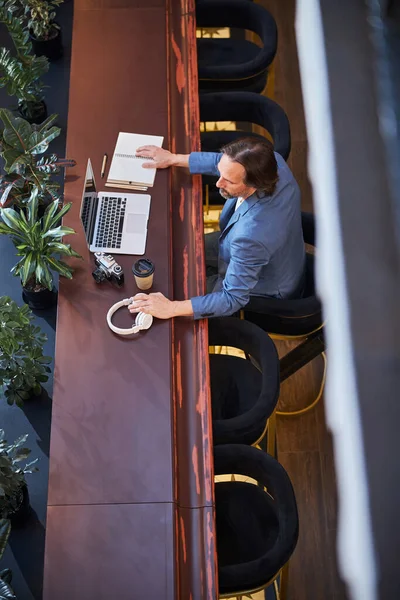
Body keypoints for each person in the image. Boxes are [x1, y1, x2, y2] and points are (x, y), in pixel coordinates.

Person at [128, 137, 305, 320]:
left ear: (254, 184)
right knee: (173, 251)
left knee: (174, 290)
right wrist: (173, 158)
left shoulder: (252, 236)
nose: (218, 183)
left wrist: (171, 308)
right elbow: (224, 164)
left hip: (265, 282)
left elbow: (231, 299)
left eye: (228, 181)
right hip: (258, 249)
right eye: (221, 174)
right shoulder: (273, 163)